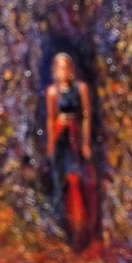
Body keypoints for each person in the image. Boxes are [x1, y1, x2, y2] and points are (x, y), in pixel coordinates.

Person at [45, 52, 96, 251]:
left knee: (77, 180)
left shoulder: (80, 89)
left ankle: (81, 231)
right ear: (54, 71)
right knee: (62, 183)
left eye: (66, 67)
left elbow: (86, 116)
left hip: (75, 139)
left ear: (71, 69)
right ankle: (64, 230)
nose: (63, 71)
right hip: (61, 139)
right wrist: (51, 143)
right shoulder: (52, 92)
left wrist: (86, 143)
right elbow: (50, 118)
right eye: (59, 68)